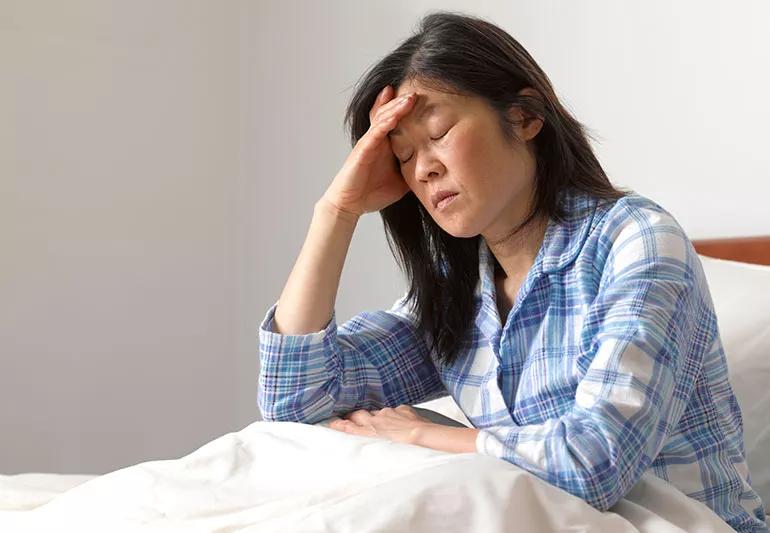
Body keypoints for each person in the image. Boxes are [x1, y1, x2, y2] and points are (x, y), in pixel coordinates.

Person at [257, 11, 768, 532]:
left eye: (439, 133)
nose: (423, 169)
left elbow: (597, 461)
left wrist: (427, 434)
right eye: (404, 156)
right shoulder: (456, 286)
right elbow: (296, 397)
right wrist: (336, 212)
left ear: (524, 117)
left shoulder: (636, 241)